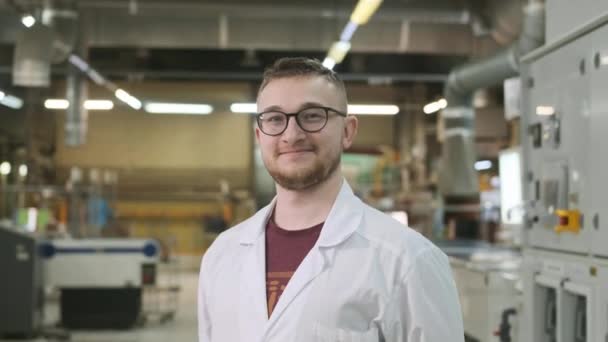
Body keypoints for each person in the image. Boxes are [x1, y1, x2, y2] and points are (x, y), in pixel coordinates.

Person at [198, 57, 464, 342]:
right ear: (259, 135)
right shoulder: (222, 256)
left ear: (348, 131)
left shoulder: (408, 261)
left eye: (312, 115)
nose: (291, 134)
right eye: (275, 119)